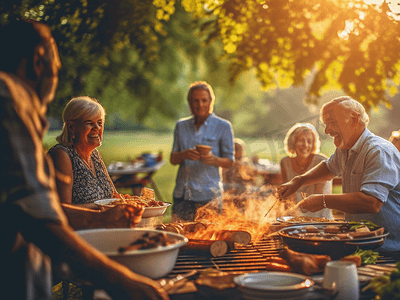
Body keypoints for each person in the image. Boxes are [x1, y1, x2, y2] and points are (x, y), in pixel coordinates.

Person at [0, 19, 168, 299]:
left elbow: (36, 210)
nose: (54, 77)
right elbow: (41, 222)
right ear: (37, 62)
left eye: (99, 122)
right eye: (56, 69)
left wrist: (115, 211)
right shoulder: (9, 101)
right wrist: (122, 282)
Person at [278, 96, 400, 258]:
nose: (326, 130)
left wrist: (322, 200)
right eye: (326, 124)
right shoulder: (345, 148)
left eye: (332, 122)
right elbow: (329, 167)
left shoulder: (378, 151)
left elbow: (371, 202)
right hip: (372, 247)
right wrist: (299, 180)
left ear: (353, 120)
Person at [47, 96, 144, 228]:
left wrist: (136, 202)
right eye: (89, 122)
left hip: (106, 230)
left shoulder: (94, 154)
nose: (97, 128)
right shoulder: (62, 155)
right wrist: (107, 206)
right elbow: (61, 210)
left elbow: (114, 196)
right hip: (80, 235)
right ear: (71, 127)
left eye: (100, 122)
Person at [170, 81, 234, 221]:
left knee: (208, 238)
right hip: (182, 195)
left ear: (211, 101)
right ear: (190, 102)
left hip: (209, 197)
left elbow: (230, 161)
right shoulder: (181, 126)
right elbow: (173, 159)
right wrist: (184, 154)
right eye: (196, 101)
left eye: (204, 100)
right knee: (179, 236)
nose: (200, 105)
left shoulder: (223, 126)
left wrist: (215, 160)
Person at [280, 123, 333, 219]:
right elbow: (287, 198)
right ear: (293, 142)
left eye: (309, 141)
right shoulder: (285, 162)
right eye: (301, 140)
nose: (305, 145)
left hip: (320, 218)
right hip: (296, 217)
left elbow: (317, 199)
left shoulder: (320, 161)